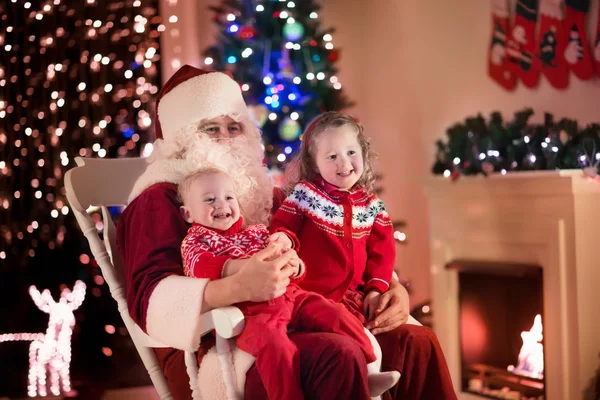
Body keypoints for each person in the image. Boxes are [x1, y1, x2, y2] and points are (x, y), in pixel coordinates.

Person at [117, 64, 457, 400]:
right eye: (210, 129)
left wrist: (391, 288)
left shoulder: (266, 194)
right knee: (335, 353)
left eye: (234, 127)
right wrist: (237, 285)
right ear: (183, 137)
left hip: (294, 312)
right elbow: (151, 301)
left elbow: (330, 249)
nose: (225, 139)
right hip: (214, 345)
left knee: (417, 342)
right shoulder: (159, 199)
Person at [178, 167, 399, 399]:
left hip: (292, 295)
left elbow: (290, 259)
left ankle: (370, 371)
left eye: (229, 197)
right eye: (210, 199)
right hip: (252, 311)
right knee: (276, 349)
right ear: (188, 214)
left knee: (335, 314)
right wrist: (246, 266)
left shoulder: (256, 233)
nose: (221, 204)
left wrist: (295, 265)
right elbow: (199, 267)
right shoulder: (196, 241)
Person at [271, 111, 395, 325]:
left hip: (356, 301)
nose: (344, 163)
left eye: (351, 152)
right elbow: (283, 226)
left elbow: (383, 253)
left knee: (417, 339)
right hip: (312, 299)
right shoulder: (305, 195)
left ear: (363, 154)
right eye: (332, 156)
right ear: (314, 165)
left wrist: (376, 290)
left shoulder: (372, 206)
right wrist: (283, 239)